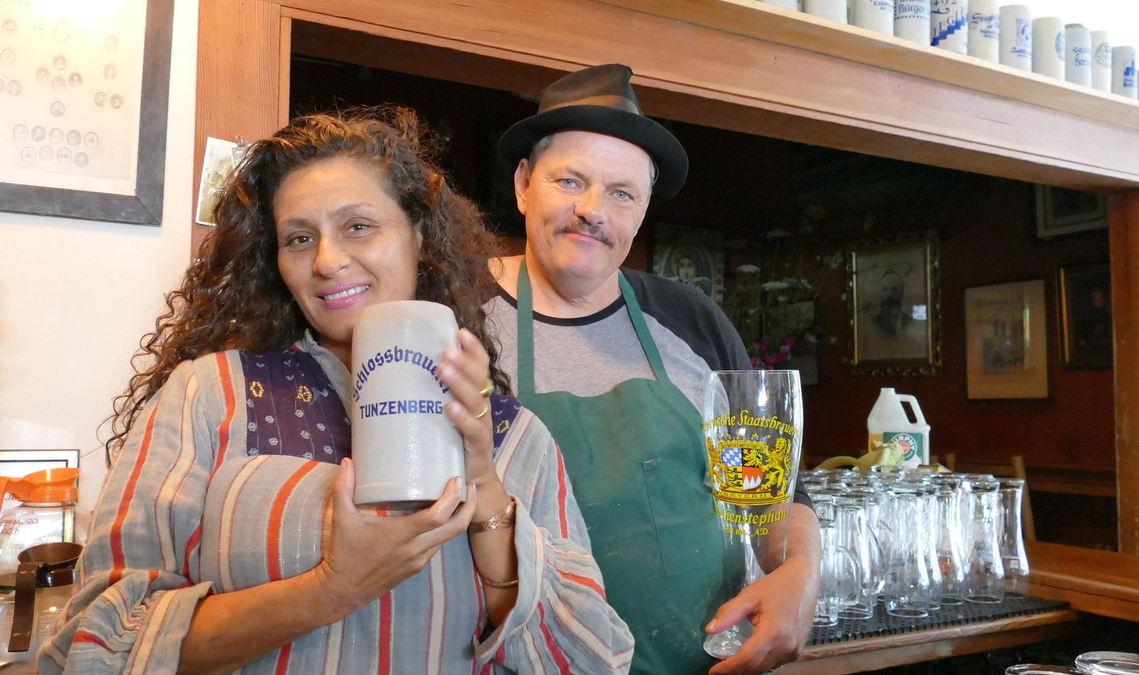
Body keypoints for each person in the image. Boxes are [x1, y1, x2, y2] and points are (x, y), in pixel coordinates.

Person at [41, 109, 633, 675]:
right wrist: (331, 589)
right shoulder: (209, 394)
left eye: (358, 226)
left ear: (418, 237)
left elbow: (590, 660)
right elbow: (91, 646)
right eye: (299, 238)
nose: (327, 260)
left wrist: (483, 486)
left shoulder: (510, 433)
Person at [484, 64, 819, 675]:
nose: (593, 211)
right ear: (523, 184)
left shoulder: (690, 318)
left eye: (621, 192)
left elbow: (769, 491)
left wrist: (799, 571)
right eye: (569, 181)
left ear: (640, 211)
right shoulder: (457, 317)